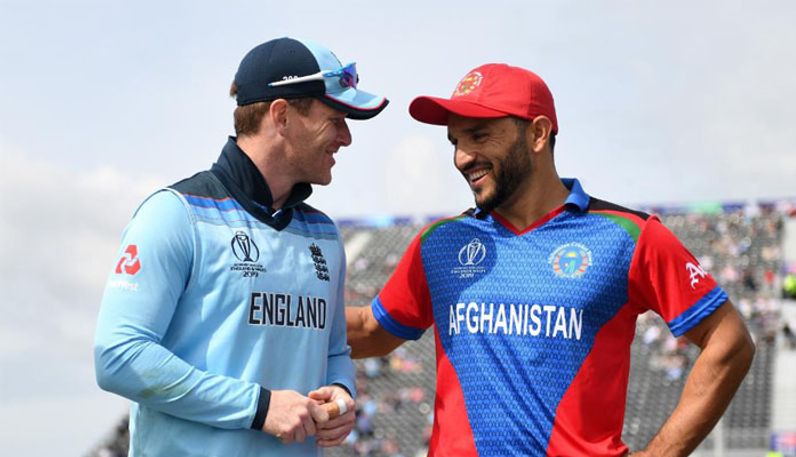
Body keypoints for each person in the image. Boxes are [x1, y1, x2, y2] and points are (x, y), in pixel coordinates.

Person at [346, 63, 755, 456]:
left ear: (538, 134)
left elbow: (729, 340)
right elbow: (371, 331)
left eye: (479, 136)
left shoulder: (628, 237)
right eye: (455, 142)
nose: (462, 157)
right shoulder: (440, 243)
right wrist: (284, 316)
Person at [95, 37, 388, 456]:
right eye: (336, 118)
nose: (346, 137)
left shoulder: (324, 234)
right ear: (282, 115)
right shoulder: (176, 214)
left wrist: (340, 393)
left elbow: (335, 351)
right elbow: (118, 357)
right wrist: (258, 406)